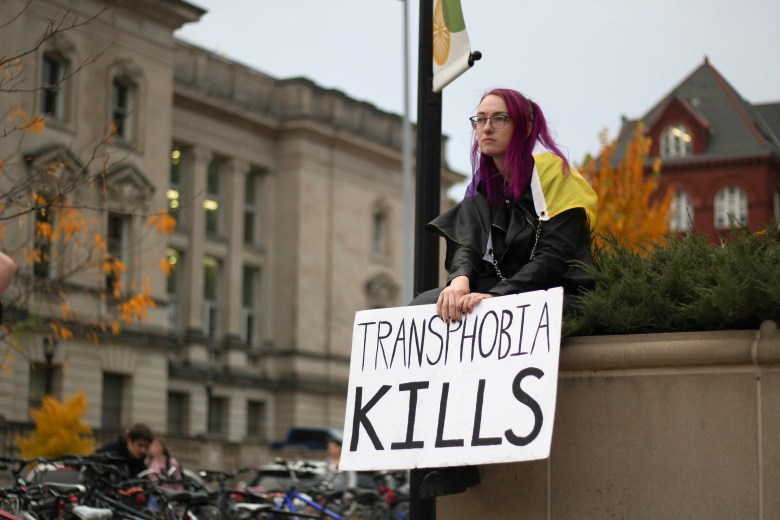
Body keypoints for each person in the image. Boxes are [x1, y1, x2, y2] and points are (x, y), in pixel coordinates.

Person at [411, 88, 598, 498]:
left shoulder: (554, 172)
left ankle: (464, 454)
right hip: (498, 292)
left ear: (525, 127)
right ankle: (446, 452)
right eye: (479, 119)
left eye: (499, 118)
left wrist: (502, 295)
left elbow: (554, 256)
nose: (486, 127)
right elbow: (466, 247)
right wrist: (459, 281)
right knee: (425, 307)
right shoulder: (483, 186)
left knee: (482, 317)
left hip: (558, 290)